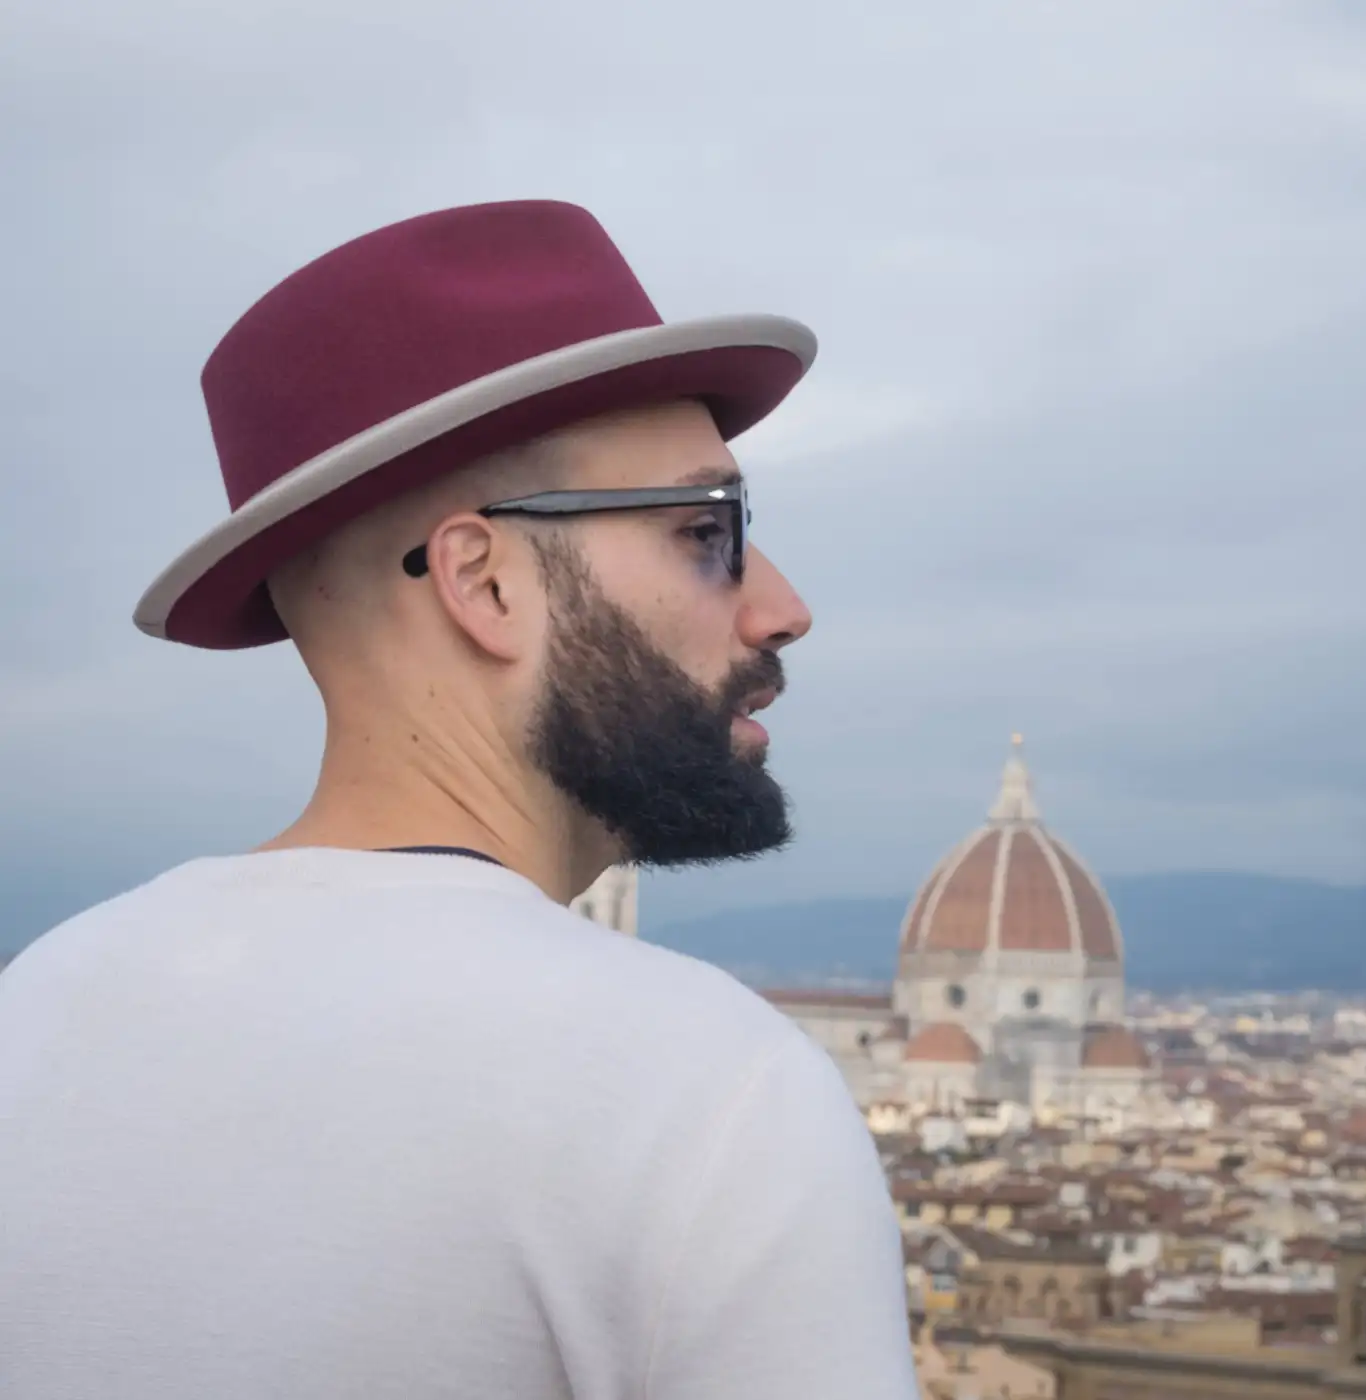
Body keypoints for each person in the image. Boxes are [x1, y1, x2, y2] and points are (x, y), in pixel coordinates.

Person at [0, 201, 918, 1398]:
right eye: (708, 530)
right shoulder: (705, 1096)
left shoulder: (33, 1018)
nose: (780, 604)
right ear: (482, 582)